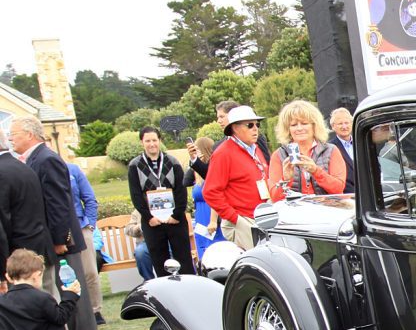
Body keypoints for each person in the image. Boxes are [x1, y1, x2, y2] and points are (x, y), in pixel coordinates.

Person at [6, 116, 101, 330]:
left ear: (29, 134)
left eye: (14, 134)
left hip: (62, 242)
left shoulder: (46, 159)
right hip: (54, 240)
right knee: (66, 290)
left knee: (72, 290)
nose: (11, 139)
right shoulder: (35, 159)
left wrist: (60, 240)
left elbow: (59, 203)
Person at [127, 127, 194, 277]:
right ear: (142, 142)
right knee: (160, 262)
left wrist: (177, 215)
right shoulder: (135, 165)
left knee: (184, 260)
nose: (152, 144)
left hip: (175, 220)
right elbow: (136, 195)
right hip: (152, 222)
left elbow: (181, 190)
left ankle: (189, 290)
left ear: (160, 141)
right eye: (148, 141)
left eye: (154, 140)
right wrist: (148, 217)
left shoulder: (172, 162)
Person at [202, 105, 269, 250]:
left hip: (262, 217)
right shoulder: (223, 153)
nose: (255, 128)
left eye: (257, 124)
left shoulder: (255, 149)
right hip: (243, 220)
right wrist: (234, 218)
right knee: (256, 265)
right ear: (235, 128)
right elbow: (210, 191)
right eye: (249, 125)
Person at [267, 100, 348, 201]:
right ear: (287, 129)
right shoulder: (279, 155)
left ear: (314, 125)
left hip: (328, 212)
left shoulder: (331, 150)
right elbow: (275, 198)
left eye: (304, 123)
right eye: (294, 125)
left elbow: (338, 188)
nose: (299, 128)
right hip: (294, 214)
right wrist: (286, 179)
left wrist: (316, 171)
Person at [0, 129, 52, 280]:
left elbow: (3, 222)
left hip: (18, 258)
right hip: (38, 245)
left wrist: (3, 270)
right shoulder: (23, 166)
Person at [66, 161, 102, 323]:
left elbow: (89, 198)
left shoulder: (72, 170)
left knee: (90, 272)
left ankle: (95, 311)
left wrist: (90, 224)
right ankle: (73, 313)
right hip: (59, 229)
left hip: (80, 226)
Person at [328, 107, 357, 194]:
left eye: (347, 123)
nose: (344, 126)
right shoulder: (330, 148)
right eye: (340, 123)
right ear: (333, 126)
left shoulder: (361, 143)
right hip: (347, 196)